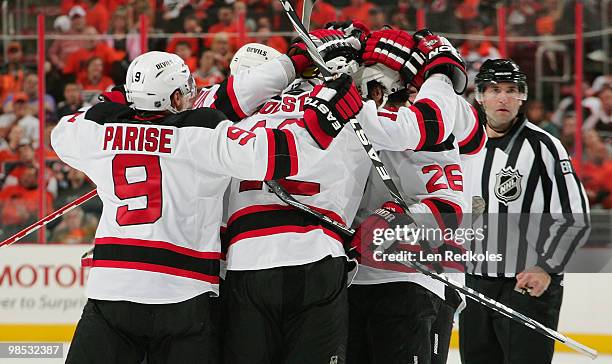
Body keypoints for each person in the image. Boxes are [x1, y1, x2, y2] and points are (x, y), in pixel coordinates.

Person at [52, 50, 358, 363]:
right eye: (185, 89)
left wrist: (121, 102)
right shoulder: (203, 131)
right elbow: (278, 155)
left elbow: (61, 134)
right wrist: (326, 117)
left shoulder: (95, 132)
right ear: (173, 97)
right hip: (185, 297)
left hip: (112, 291)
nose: (192, 95)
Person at [345, 28, 486, 364]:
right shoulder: (420, 114)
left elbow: (450, 206)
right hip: (352, 280)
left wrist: (402, 221)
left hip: (414, 280)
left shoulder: (428, 121)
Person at [458, 59, 590, 364]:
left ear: (522, 96)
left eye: (511, 90)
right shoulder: (461, 146)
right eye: (494, 89)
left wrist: (546, 267)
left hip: (526, 287)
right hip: (475, 287)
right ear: (479, 95)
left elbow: (575, 217)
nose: (503, 98)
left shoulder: (545, 147)